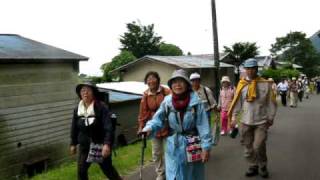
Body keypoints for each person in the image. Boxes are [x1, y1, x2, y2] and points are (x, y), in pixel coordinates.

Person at [142, 69, 213, 180]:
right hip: (173, 145)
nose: (177, 85)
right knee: (174, 174)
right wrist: (149, 128)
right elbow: (157, 119)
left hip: (192, 143)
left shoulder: (196, 102)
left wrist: (205, 147)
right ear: (171, 85)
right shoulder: (167, 101)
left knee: (192, 175)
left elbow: (203, 126)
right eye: (174, 82)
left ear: (187, 84)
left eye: (181, 81)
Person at [228, 58, 277, 178]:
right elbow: (237, 103)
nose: (250, 71)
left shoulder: (265, 83)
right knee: (248, 146)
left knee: (258, 145)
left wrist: (270, 117)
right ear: (245, 70)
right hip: (245, 121)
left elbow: (271, 102)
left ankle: (263, 165)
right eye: (248, 69)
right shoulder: (241, 84)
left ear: (257, 69)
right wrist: (234, 117)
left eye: (253, 68)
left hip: (261, 121)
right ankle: (253, 165)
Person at [70, 82, 122, 180]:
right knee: (81, 170)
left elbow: (108, 127)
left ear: (93, 92)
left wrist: (107, 144)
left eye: (88, 90)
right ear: (80, 94)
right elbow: (74, 127)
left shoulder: (101, 107)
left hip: (99, 144)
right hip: (85, 145)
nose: (85, 93)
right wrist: (73, 143)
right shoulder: (77, 109)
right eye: (83, 91)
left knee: (107, 169)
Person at [137, 71, 171, 180]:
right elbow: (143, 112)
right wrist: (141, 127)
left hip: (168, 125)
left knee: (169, 151)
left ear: (158, 80)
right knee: (156, 152)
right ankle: (161, 173)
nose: (151, 81)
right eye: (149, 79)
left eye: (153, 78)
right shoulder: (146, 95)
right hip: (154, 127)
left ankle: (171, 172)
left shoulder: (166, 92)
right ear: (146, 82)